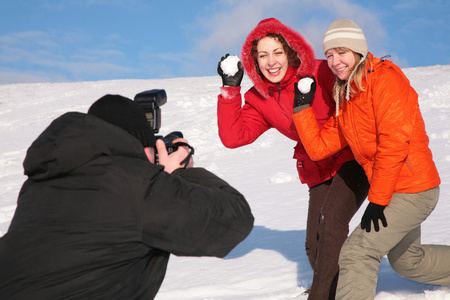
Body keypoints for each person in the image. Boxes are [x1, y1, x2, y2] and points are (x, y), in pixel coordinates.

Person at [0, 94, 254, 299]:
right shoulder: (134, 185)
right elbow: (234, 220)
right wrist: (178, 174)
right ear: (139, 145)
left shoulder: (38, 184)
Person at [292, 18, 450, 299]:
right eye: (329, 55)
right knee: (408, 262)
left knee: (358, 252)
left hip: (413, 189)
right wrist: (302, 107)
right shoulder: (348, 96)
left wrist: (377, 199)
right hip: (392, 189)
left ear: (358, 52)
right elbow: (318, 149)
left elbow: (394, 143)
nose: (334, 61)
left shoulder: (385, 80)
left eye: (341, 52)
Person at [217, 18, 369, 299]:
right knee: (314, 245)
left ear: (290, 53)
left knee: (332, 222)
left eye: (277, 52)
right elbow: (234, 136)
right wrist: (230, 89)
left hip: (351, 158)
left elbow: (358, 89)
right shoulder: (259, 97)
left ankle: (323, 295)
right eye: (262, 55)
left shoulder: (319, 72)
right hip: (317, 168)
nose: (271, 61)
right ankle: (347, 286)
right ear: (254, 62)